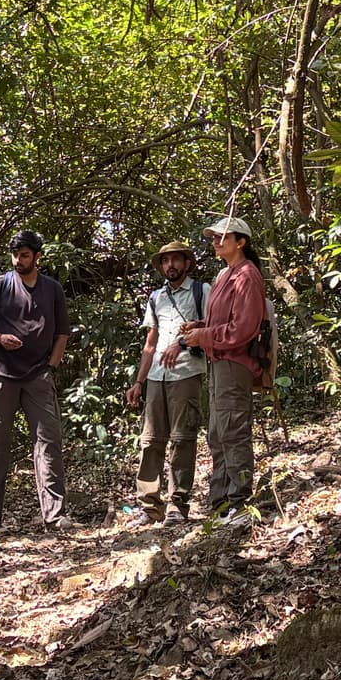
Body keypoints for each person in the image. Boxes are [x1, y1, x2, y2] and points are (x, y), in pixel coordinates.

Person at [0, 231, 71, 535]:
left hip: (38, 375)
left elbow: (62, 334)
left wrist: (51, 366)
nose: (18, 260)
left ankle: (54, 516)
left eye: (25, 255)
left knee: (49, 441)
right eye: (15, 254)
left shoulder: (52, 289)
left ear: (37, 256)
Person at [181, 216, 268, 515]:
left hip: (235, 362)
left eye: (223, 237)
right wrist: (199, 326)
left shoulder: (247, 276)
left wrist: (203, 335)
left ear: (241, 242)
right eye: (214, 238)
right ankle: (221, 502)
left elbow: (242, 329)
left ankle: (239, 501)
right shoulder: (224, 276)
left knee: (233, 431)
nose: (216, 242)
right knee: (217, 433)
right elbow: (221, 321)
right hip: (219, 362)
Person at [124, 241, 210, 525]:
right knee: (150, 440)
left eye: (175, 259)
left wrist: (184, 341)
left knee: (183, 439)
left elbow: (213, 326)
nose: (170, 265)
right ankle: (150, 507)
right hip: (156, 376)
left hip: (186, 372)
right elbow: (150, 343)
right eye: (165, 261)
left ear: (187, 263)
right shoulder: (156, 297)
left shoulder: (202, 291)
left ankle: (178, 505)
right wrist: (138, 382)